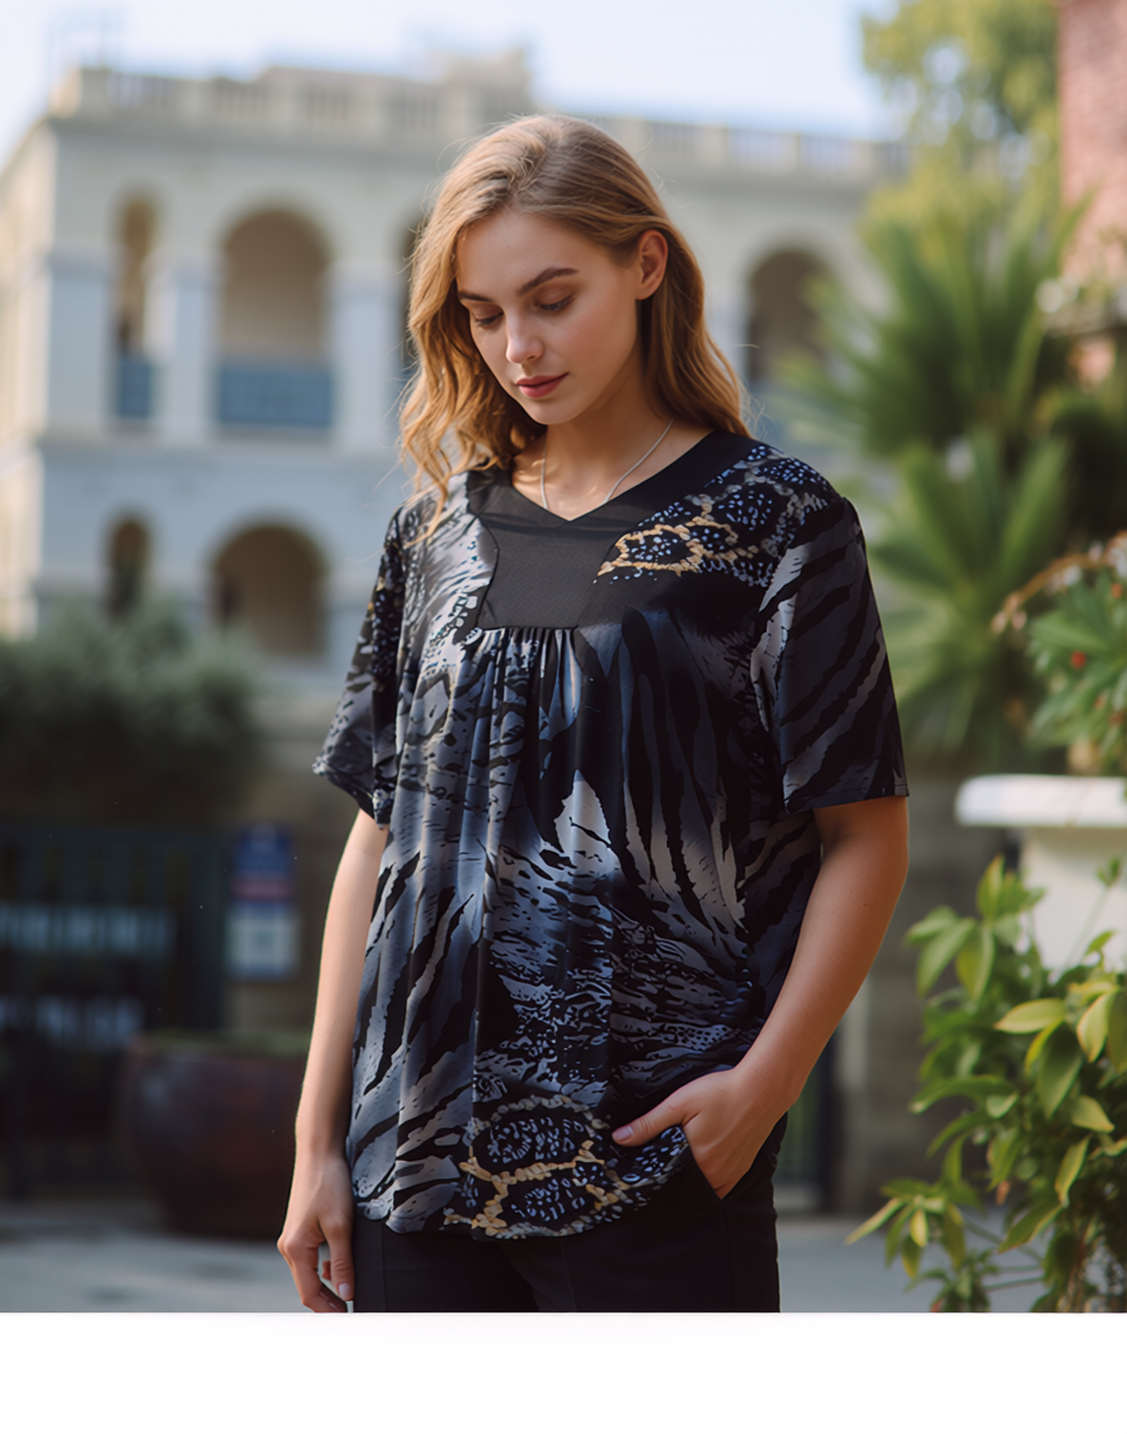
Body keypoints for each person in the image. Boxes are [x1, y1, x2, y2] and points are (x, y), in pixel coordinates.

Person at [278, 115, 908, 1313]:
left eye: (552, 298)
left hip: (655, 1167)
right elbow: (379, 842)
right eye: (482, 312)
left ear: (648, 265)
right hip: (410, 1173)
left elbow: (868, 837)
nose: (519, 346)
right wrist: (315, 1145)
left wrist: (762, 1091)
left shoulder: (777, 522)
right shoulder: (434, 538)